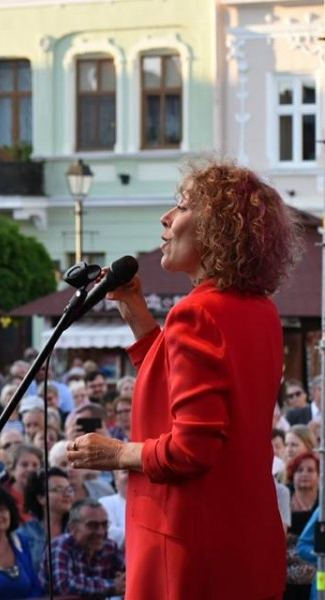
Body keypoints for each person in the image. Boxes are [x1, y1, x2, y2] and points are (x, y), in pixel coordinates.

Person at [66, 161, 298, 597]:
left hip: (188, 545)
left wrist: (118, 453)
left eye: (183, 206)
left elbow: (192, 449)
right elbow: (176, 378)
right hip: (242, 539)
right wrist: (135, 311)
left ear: (216, 229)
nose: (166, 218)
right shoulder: (260, 310)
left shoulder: (197, 312)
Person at [40, 498, 125, 598]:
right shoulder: (60, 546)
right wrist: (113, 585)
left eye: (105, 524)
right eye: (92, 525)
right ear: (73, 527)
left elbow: (128, 575)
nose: (100, 532)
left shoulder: (109, 546)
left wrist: (124, 580)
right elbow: (65, 585)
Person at [19, 467, 73, 574]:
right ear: (41, 498)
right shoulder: (25, 534)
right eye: (59, 489)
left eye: (69, 489)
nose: (67, 494)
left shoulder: (77, 529)